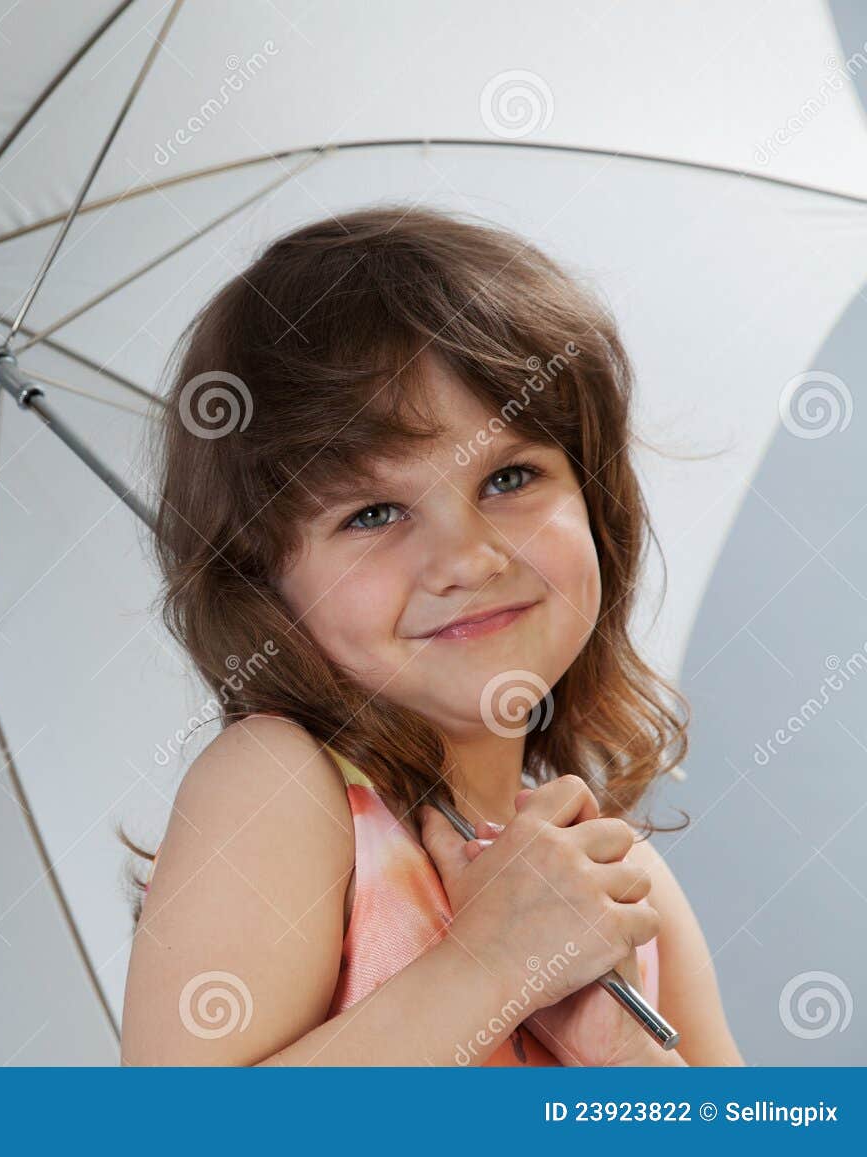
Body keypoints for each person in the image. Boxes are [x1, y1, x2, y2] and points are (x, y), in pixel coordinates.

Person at [119, 205, 743, 1067]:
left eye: (510, 475)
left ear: (597, 501)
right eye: (373, 512)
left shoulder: (621, 877)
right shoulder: (281, 788)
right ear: (263, 584)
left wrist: (624, 1060)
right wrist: (490, 962)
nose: (468, 556)